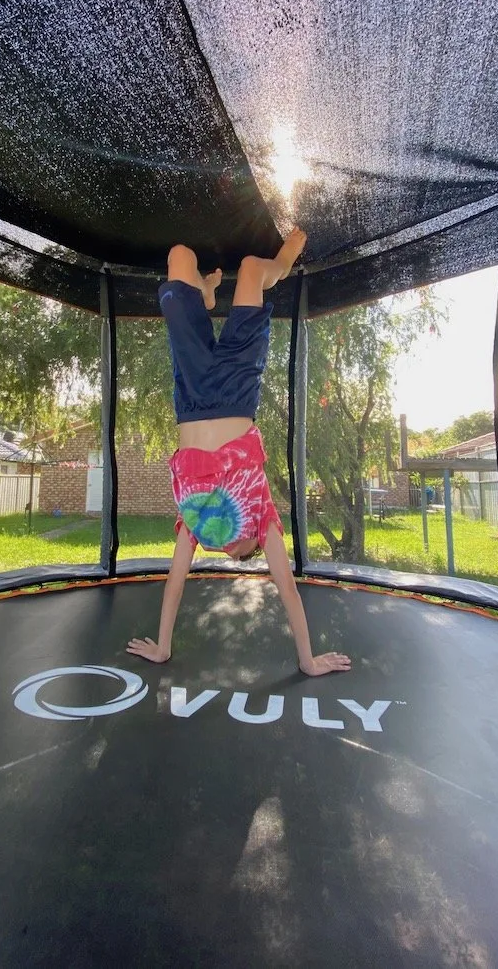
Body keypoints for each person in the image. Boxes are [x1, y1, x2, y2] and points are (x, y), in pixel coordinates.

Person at [126, 228, 352, 677]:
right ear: (253, 547)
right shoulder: (263, 520)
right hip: (235, 389)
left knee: (179, 252)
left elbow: (174, 583)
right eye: (243, 554)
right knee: (252, 267)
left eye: (233, 555)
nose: (233, 553)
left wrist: (164, 646)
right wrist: (308, 661)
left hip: (191, 396)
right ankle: (282, 266)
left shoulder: (198, 527)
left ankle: (205, 292)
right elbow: (287, 589)